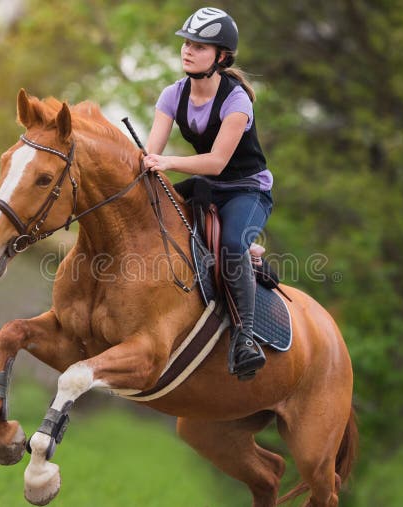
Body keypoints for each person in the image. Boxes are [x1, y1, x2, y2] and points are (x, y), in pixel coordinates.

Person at [144, 7, 273, 380]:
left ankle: (245, 338)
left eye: (199, 46)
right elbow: (151, 152)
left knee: (231, 242)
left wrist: (166, 163)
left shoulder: (237, 101)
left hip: (247, 192)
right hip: (208, 187)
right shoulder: (172, 95)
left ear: (221, 56)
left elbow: (216, 162)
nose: (188, 50)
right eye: (187, 43)